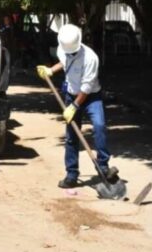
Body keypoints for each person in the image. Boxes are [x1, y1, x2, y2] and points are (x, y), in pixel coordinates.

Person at [37, 24, 117, 189]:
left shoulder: (91, 58)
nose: (70, 53)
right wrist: (51, 70)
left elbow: (87, 87)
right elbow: (65, 62)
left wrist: (74, 106)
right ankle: (71, 174)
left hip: (91, 96)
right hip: (71, 95)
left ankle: (103, 166)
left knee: (99, 126)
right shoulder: (63, 49)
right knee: (71, 136)